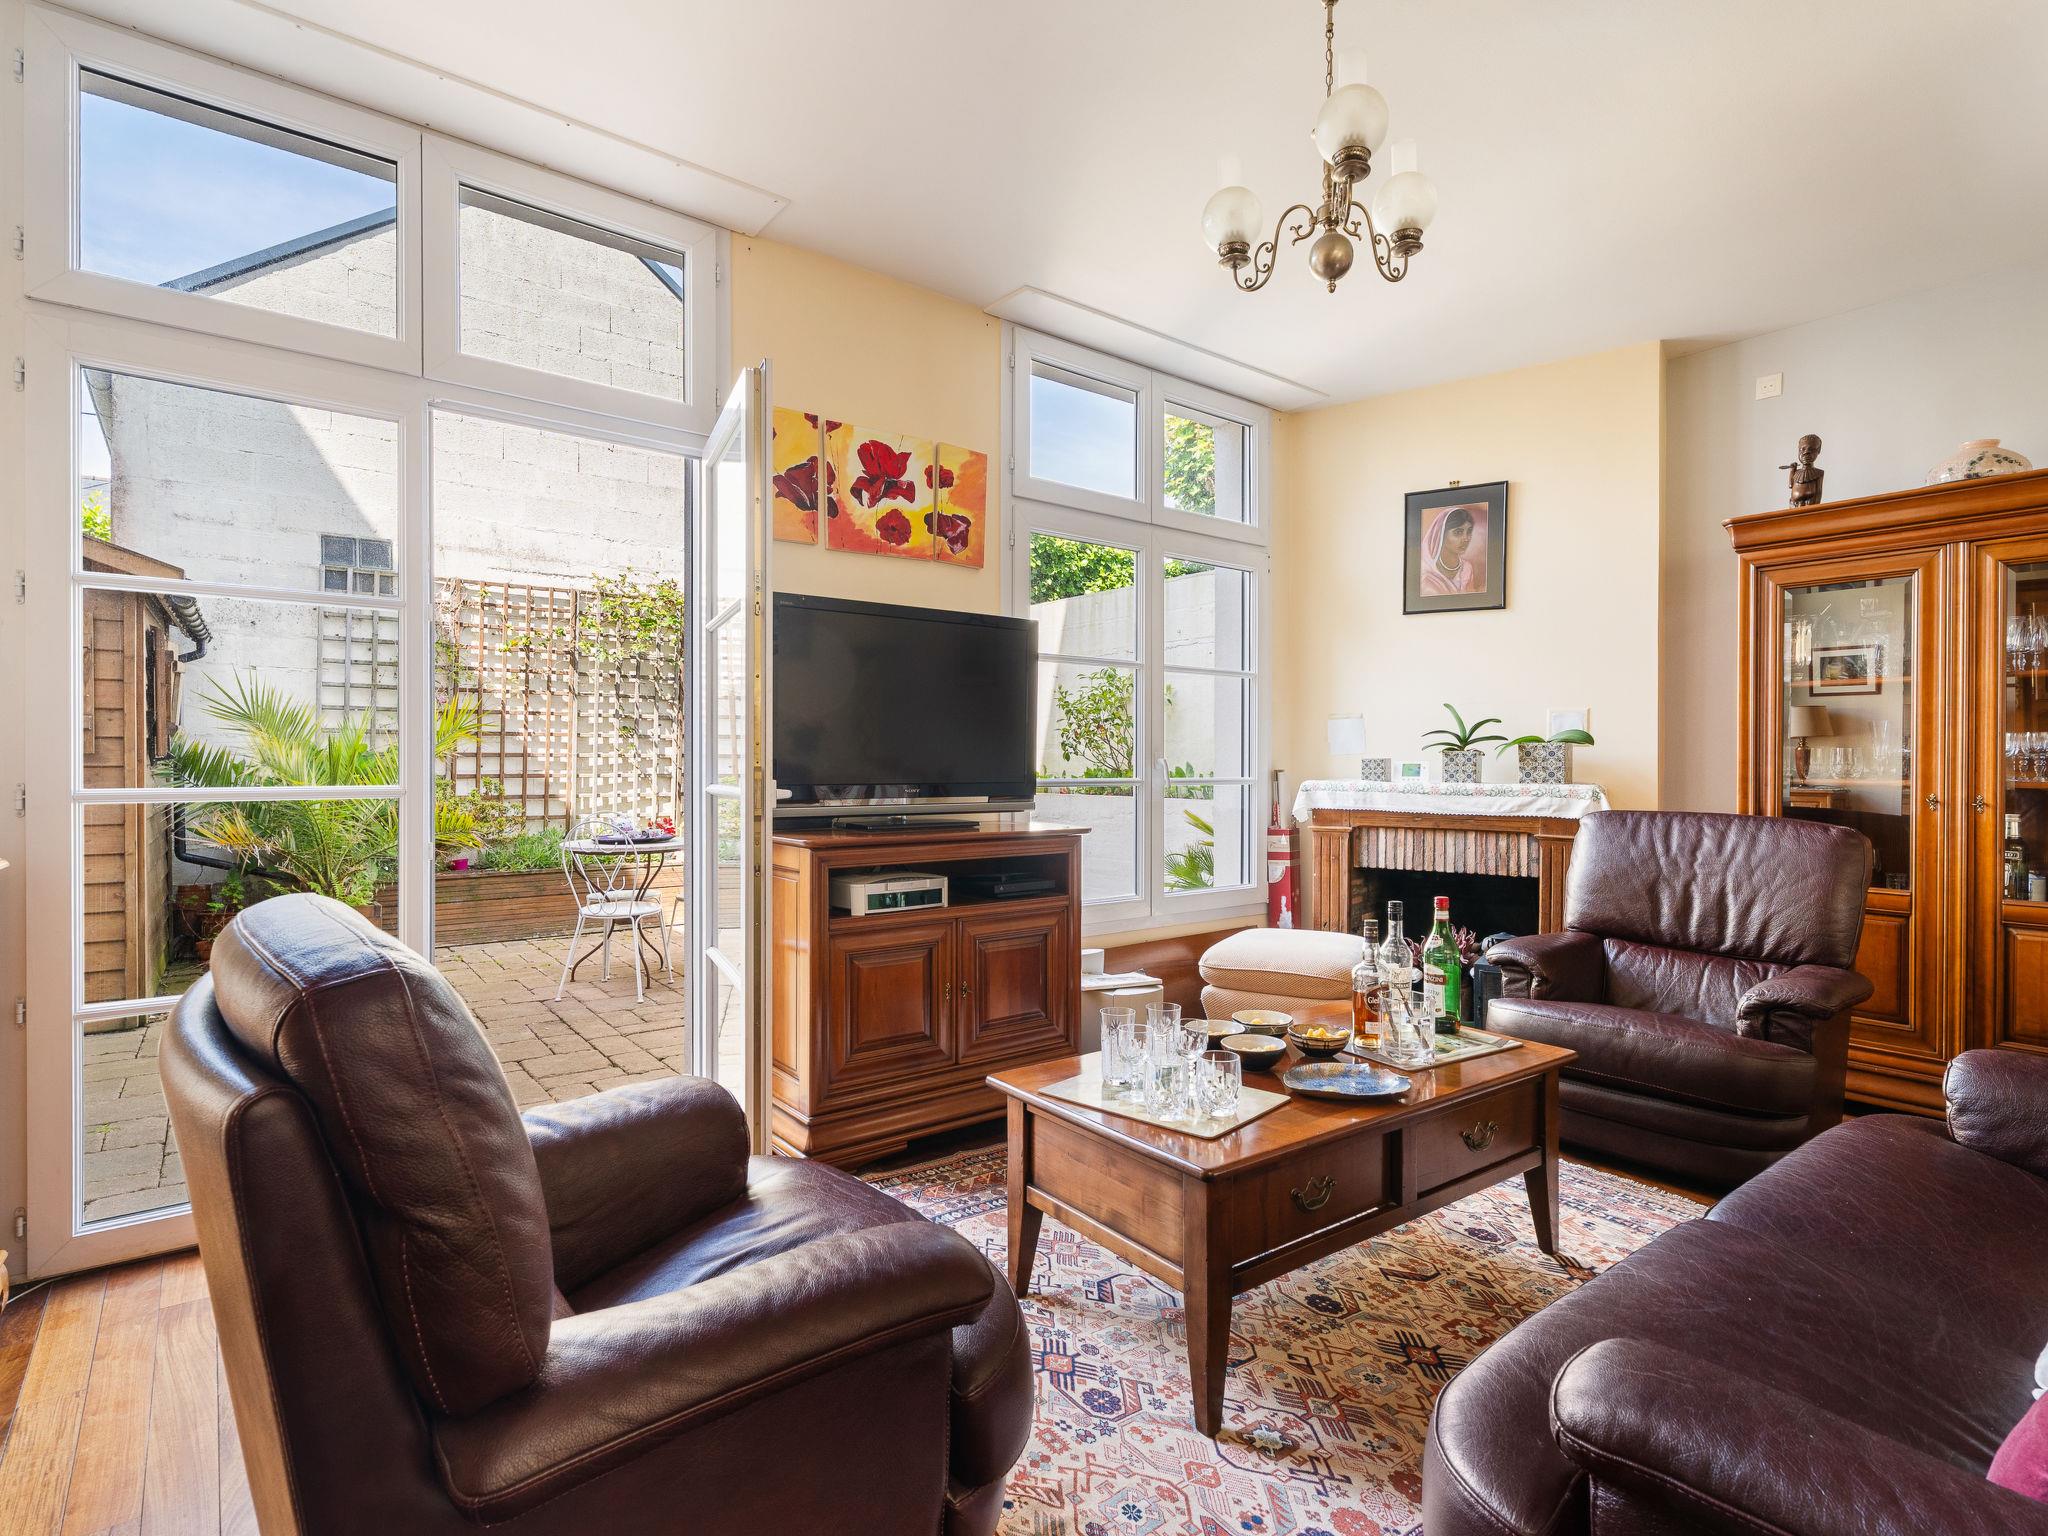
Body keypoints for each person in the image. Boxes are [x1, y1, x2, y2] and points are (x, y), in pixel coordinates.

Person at [1420, 505, 1480, 595]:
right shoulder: (1426, 571)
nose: (1466, 538)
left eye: (1469, 531)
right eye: (1458, 532)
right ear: (1441, 534)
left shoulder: (1467, 568)